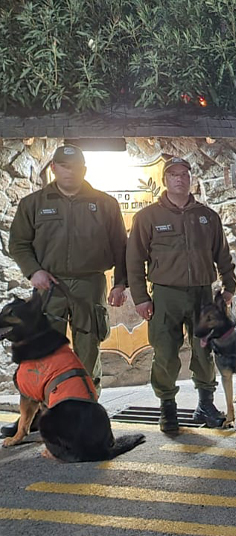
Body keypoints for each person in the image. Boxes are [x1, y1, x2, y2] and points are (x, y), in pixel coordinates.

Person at [4, 144, 127, 438]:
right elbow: (19, 243)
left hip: (90, 283)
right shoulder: (34, 203)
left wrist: (121, 282)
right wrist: (34, 271)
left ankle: (84, 415)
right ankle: (36, 417)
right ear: (54, 168)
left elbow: (121, 248)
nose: (68, 171)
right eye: (62, 166)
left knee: (87, 350)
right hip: (49, 287)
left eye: (75, 167)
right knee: (41, 354)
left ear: (84, 169)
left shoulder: (105, 203)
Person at [127, 156, 236, 433]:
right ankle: (167, 408)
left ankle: (206, 404)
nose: (179, 179)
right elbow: (134, 259)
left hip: (202, 293)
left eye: (184, 174)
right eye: (174, 174)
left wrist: (229, 286)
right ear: (165, 180)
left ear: (191, 179)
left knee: (205, 351)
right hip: (166, 295)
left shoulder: (207, 216)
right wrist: (140, 297)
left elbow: (222, 254)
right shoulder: (148, 217)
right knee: (165, 351)